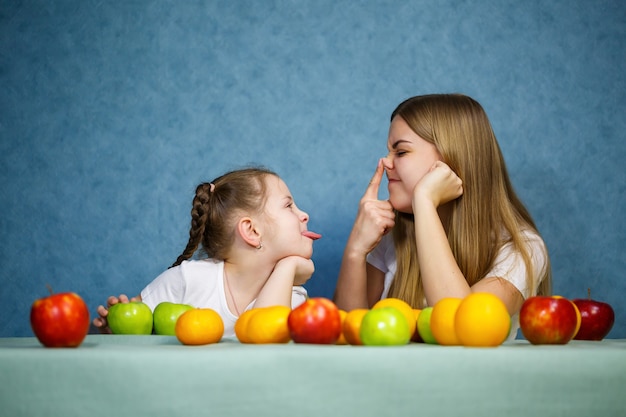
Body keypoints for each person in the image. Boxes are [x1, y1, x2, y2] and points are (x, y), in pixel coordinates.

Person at [334, 93, 551, 340]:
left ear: (450, 158)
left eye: (401, 152)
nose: (385, 162)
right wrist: (355, 250)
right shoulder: (391, 235)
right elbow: (346, 333)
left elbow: (463, 327)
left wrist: (425, 201)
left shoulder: (521, 248)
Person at [93, 167, 321, 337]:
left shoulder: (292, 296)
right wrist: (115, 327)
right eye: (289, 206)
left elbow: (267, 341)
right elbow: (134, 335)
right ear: (251, 230)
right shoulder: (187, 279)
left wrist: (286, 267)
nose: (305, 215)